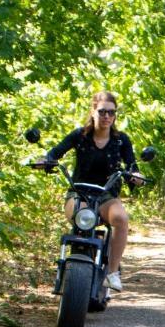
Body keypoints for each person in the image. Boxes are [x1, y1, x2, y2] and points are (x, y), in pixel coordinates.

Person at [44, 92, 143, 292]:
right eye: (102, 111)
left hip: (106, 195)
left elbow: (131, 165)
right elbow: (55, 152)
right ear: (93, 111)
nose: (107, 116)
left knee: (121, 219)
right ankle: (68, 271)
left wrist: (136, 175)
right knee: (78, 217)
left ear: (115, 115)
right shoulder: (80, 136)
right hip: (79, 193)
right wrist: (46, 160)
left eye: (111, 112)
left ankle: (112, 273)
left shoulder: (121, 140)